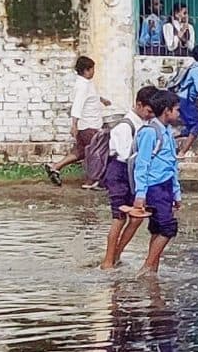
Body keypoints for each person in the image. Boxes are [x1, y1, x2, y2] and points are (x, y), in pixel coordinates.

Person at [129, 87, 183, 274]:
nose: (178, 113)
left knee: (157, 228)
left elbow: (172, 165)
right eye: (176, 109)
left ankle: (153, 269)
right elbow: (142, 165)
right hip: (154, 187)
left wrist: (176, 192)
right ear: (166, 110)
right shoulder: (150, 132)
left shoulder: (167, 132)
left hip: (166, 186)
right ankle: (147, 267)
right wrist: (140, 194)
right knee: (168, 229)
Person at [45, 55, 109, 189]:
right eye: (92, 69)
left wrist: (101, 100)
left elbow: (91, 96)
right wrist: (74, 125)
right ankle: (91, 181)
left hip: (87, 125)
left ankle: (55, 167)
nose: (93, 72)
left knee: (80, 152)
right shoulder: (82, 86)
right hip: (89, 126)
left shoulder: (86, 83)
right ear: (86, 70)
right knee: (97, 152)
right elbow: (77, 106)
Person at [99, 112, 141, 270]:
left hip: (132, 173)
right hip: (120, 171)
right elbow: (125, 154)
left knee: (136, 218)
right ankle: (108, 261)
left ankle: (117, 255)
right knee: (119, 217)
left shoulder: (143, 124)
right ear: (139, 106)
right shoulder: (125, 126)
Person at [173, 47, 198, 157]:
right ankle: (182, 151)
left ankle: (178, 144)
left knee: (189, 126)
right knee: (197, 124)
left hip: (181, 98)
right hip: (186, 100)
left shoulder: (192, 67)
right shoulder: (196, 70)